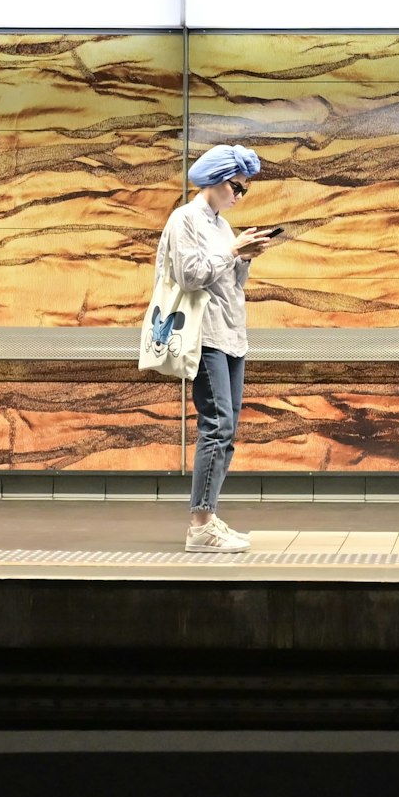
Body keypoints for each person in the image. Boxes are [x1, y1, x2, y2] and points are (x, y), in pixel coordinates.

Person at [159, 143, 276, 552]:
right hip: (204, 335)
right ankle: (200, 525)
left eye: (244, 190)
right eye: (235, 187)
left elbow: (231, 284)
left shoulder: (222, 224)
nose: (238, 196)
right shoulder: (185, 220)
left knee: (227, 432)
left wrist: (245, 256)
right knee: (216, 424)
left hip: (231, 336)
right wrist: (231, 251)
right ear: (213, 180)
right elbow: (189, 275)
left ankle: (207, 515)